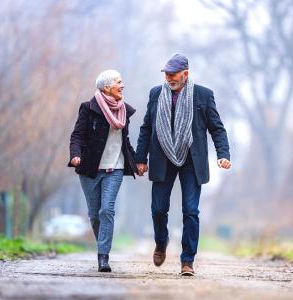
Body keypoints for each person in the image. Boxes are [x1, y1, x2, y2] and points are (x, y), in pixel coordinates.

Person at [135, 54, 231, 276]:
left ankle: (187, 261)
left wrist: (223, 154)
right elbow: (146, 128)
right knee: (158, 210)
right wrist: (141, 159)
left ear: (185, 74)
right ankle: (161, 241)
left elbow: (217, 128)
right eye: (166, 74)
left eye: (173, 74)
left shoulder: (203, 95)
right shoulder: (156, 94)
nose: (169, 78)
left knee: (191, 211)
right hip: (162, 157)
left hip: (191, 160)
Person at [68, 70, 138, 272]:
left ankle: (103, 257)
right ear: (106, 87)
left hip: (114, 168)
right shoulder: (88, 109)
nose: (122, 85)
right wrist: (75, 154)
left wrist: (138, 161)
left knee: (107, 210)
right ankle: (104, 244)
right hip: (90, 168)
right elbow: (77, 136)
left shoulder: (124, 111)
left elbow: (125, 143)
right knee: (95, 215)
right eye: (119, 82)